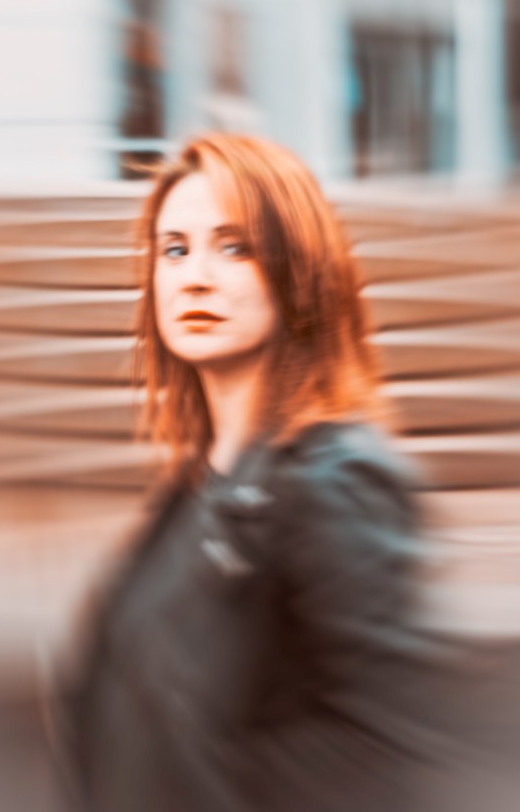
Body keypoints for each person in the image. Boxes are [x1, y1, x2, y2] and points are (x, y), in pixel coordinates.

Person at [49, 131, 439, 812]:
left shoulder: (334, 481)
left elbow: (379, 752)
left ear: (299, 272)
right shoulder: (200, 486)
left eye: (235, 246)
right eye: (175, 249)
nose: (195, 275)